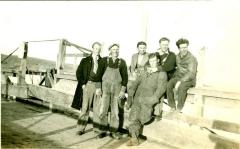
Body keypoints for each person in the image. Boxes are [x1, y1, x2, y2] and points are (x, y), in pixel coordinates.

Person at [126, 53, 168, 146]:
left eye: (154, 60)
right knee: (133, 118)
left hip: (148, 99)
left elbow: (161, 88)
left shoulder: (162, 73)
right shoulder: (144, 71)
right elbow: (136, 82)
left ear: (157, 61)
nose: (152, 62)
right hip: (137, 97)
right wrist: (131, 94)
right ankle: (134, 138)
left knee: (142, 118)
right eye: (150, 60)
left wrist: (153, 100)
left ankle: (134, 137)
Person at [71, 42, 106, 138]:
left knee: (97, 109)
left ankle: (97, 130)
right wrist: (83, 84)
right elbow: (79, 73)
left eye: (99, 49)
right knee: (85, 108)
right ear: (92, 49)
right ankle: (80, 129)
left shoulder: (103, 62)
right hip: (88, 85)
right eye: (96, 48)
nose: (97, 50)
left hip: (98, 87)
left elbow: (104, 76)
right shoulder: (85, 60)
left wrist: (101, 87)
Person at [98, 43, 128, 139]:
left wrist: (123, 90)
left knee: (115, 111)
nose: (116, 51)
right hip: (105, 89)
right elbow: (98, 75)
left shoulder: (122, 62)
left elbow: (125, 78)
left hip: (117, 89)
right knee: (103, 110)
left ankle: (113, 131)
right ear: (110, 50)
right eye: (114, 49)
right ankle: (102, 130)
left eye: (117, 49)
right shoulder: (104, 61)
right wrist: (98, 87)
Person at [166, 38, 198, 112]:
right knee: (169, 85)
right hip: (179, 77)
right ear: (179, 48)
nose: (183, 49)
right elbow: (177, 68)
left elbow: (191, 73)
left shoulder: (192, 58)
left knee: (182, 87)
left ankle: (179, 108)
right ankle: (172, 106)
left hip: (190, 79)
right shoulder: (177, 57)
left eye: (185, 47)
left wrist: (180, 81)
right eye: (181, 48)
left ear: (187, 47)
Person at [127, 41, 149, 108]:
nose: (142, 49)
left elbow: (148, 67)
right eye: (140, 48)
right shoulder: (134, 56)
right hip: (134, 75)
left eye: (144, 48)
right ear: (137, 48)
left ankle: (138, 105)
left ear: (146, 48)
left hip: (144, 75)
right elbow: (132, 67)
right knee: (129, 85)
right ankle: (129, 103)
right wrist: (133, 73)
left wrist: (142, 72)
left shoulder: (148, 55)